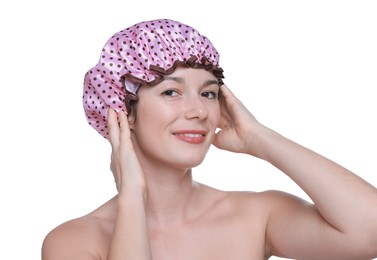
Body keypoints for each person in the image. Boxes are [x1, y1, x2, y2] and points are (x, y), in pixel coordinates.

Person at [42, 18, 377, 260]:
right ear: (123, 112)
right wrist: (131, 196)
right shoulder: (74, 241)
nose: (199, 111)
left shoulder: (255, 215)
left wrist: (260, 137)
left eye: (209, 93)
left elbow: (369, 234)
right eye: (171, 91)